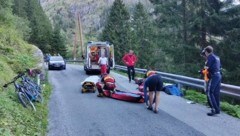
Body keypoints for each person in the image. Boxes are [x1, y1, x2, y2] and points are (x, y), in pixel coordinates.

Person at [202, 46, 222, 116]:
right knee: (216, 93)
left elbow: (206, 68)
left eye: (204, 52)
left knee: (209, 92)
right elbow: (219, 67)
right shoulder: (217, 57)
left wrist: (202, 71)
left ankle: (213, 109)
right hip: (219, 75)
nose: (204, 54)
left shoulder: (210, 57)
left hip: (214, 76)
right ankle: (218, 109)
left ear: (207, 52)